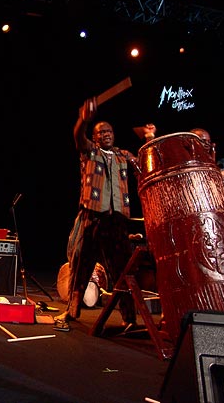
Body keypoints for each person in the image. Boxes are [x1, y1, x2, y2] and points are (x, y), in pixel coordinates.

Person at [55, 96, 155, 330]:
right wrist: (83, 120)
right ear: (96, 136)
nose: (105, 135)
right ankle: (72, 310)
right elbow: (79, 137)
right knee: (81, 265)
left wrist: (149, 137)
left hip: (117, 219)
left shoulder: (123, 155)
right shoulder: (90, 152)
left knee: (122, 268)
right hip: (93, 215)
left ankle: (129, 317)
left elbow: (145, 162)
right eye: (100, 132)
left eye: (108, 131)